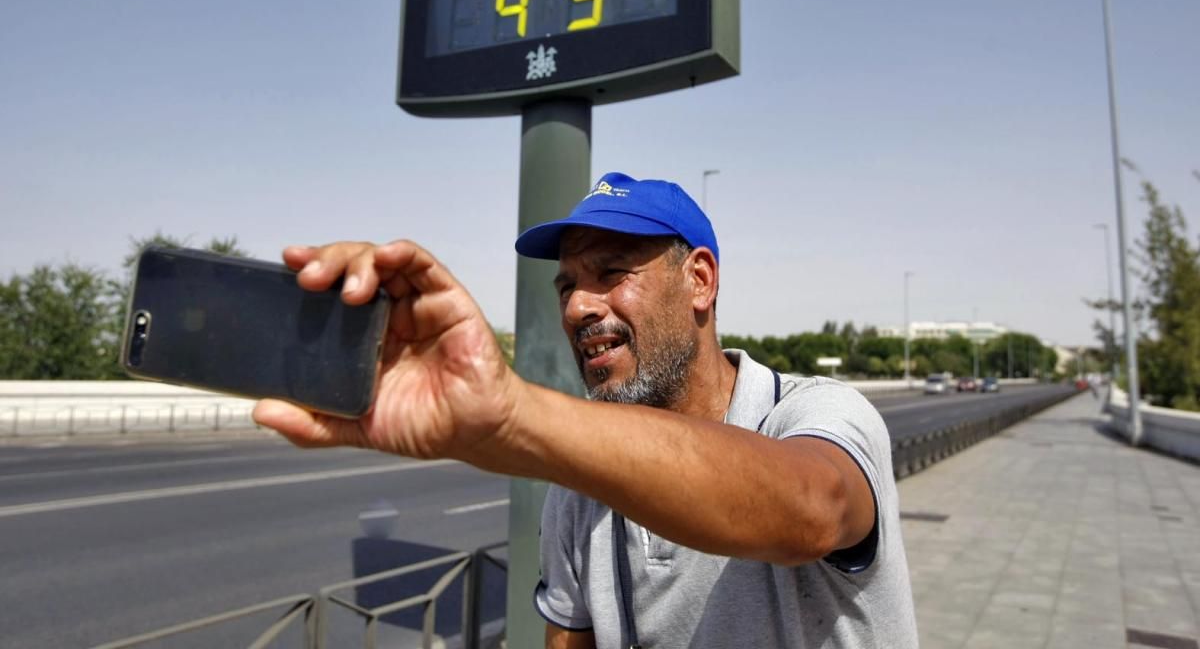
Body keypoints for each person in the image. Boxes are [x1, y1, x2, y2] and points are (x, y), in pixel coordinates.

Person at [254, 172, 918, 648]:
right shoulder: (581, 495)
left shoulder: (823, 414)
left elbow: (808, 509)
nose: (577, 306)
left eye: (610, 272)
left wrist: (512, 417)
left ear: (701, 280)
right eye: (568, 284)